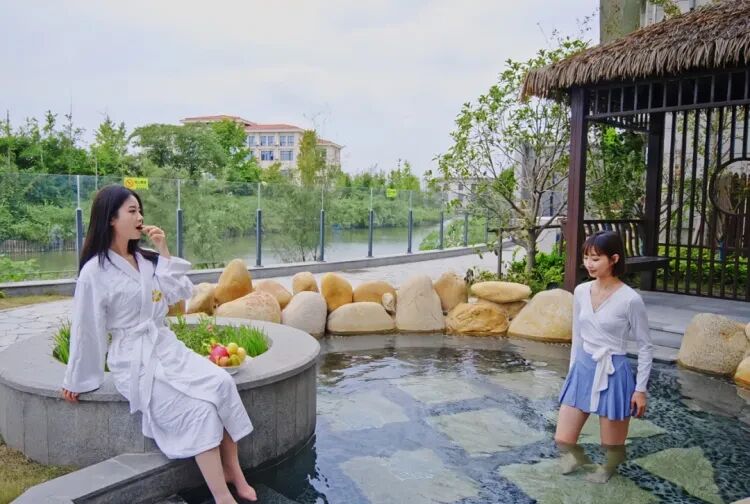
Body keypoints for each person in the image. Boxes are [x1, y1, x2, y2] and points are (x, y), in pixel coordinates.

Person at [60, 185, 256, 504]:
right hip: (132, 357)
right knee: (199, 410)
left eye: (140, 210)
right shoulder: (94, 272)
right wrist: (76, 379)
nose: (140, 216)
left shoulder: (147, 261)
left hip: (164, 344)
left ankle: (234, 472)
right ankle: (221, 496)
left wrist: (163, 249)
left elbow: (177, 293)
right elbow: (87, 329)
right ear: (111, 219)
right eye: (132, 211)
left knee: (221, 382)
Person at [554, 230, 653, 483]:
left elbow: (645, 347)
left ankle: (607, 469)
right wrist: (572, 373)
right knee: (563, 439)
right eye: (586, 257)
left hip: (614, 371)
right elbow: (577, 335)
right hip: (583, 367)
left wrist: (640, 390)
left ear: (614, 259)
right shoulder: (581, 291)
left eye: (596, 259)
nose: (589, 264)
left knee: (612, 445)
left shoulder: (630, 299)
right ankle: (577, 458)